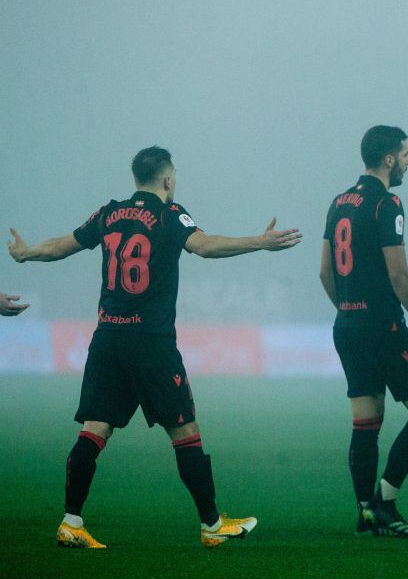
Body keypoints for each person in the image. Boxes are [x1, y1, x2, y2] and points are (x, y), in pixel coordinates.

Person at [6, 146, 301, 549]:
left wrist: (24, 254)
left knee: (94, 428)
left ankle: (71, 522)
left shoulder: (109, 213)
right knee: (184, 429)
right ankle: (212, 525)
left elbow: (62, 246)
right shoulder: (169, 213)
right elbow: (204, 245)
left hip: (108, 338)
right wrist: (259, 242)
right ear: (167, 179)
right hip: (151, 343)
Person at [319, 125, 408, 539]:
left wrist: (349, 311)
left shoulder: (338, 202)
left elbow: (324, 271)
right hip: (384, 326)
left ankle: (364, 511)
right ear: (389, 159)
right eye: (405, 154)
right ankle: (385, 501)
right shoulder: (387, 203)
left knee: (365, 422)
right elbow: (398, 272)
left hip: (348, 325)